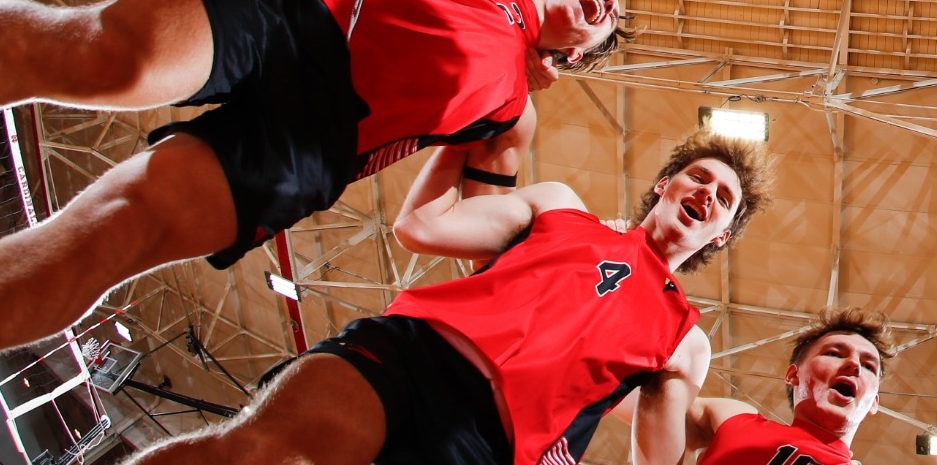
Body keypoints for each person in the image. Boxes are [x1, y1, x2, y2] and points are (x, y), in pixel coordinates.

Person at [0, 0, 628, 360]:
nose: (606, 5)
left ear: (573, 57)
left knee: (115, 233)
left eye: (608, 24)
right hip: (293, 17)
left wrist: (562, 246)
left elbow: (468, 232)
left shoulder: (514, 114)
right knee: (104, 56)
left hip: (314, 144)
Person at [124, 129, 774, 464]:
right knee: (255, 448)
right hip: (417, 353)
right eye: (699, 177)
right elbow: (425, 226)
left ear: (722, 234)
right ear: (664, 183)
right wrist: (459, 136)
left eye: (725, 200)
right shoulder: (560, 206)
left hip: (490, 442)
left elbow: (657, 454)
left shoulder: (685, 339)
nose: (708, 194)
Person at [684, 309, 889, 465]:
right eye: (834, 354)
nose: (854, 365)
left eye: (868, 366)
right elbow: (660, 402)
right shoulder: (736, 419)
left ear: (874, 403)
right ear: (793, 375)